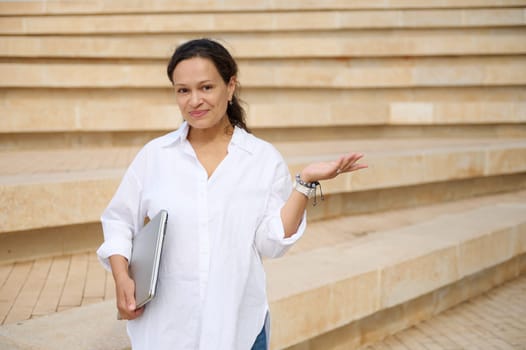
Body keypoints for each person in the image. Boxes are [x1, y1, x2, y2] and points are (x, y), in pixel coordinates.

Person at [97, 38, 367, 350]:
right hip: (167, 329)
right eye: (183, 90)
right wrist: (121, 277)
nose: (194, 100)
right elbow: (119, 221)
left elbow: (272, 242)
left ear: (231, 86)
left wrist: (304, 183)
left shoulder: (262, 159)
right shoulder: (154, 156)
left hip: (238, 326)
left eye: (206, 87)